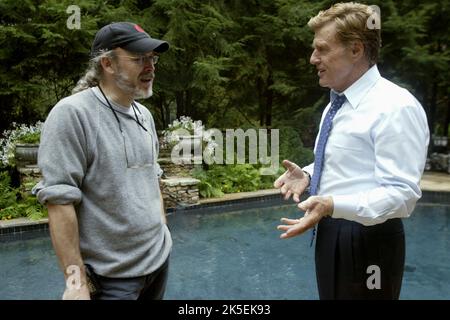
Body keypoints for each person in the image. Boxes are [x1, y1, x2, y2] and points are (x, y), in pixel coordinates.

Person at [274, 3, 429, 299]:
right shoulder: (338, 103)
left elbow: (402, 195)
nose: (312, 58)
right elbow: (349, 164)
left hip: (371, 242)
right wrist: (308, 173)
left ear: (356, 50)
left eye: (321, 49)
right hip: (332, 232)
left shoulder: (395, 107)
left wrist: (332, 205)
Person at [33, 22, 172, 300]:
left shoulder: (144, 115)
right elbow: (59, 201)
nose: (150, 67)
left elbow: (150, 179)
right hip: (113, 279)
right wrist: (75, 283)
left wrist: (162, 230)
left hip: (158, 261)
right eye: (138, 59)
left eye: (152, 59)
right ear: (108, 64)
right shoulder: (73, 114)